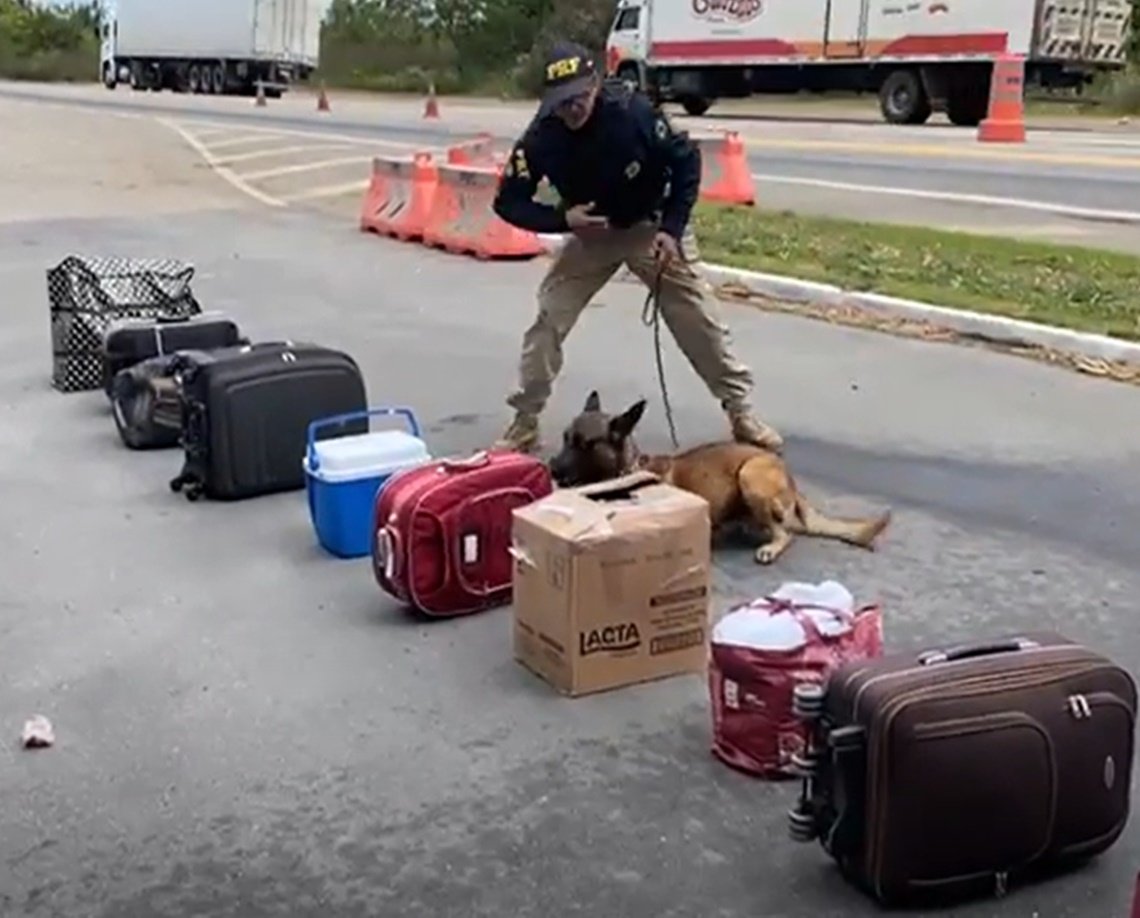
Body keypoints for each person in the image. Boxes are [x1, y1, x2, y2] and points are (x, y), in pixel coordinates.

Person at [490, 40, 783, 455]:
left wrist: (673, 229)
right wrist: (561, 220)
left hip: (651, 225)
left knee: (699, 319)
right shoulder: (541, 138)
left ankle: (741, 412)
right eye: (561, 102)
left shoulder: (633, 112)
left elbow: (686, 161)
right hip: (591, 236)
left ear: (596, 84)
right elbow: (507, 202)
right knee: (547, 321)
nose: (571, 109)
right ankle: (524, 423)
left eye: (578, 98)